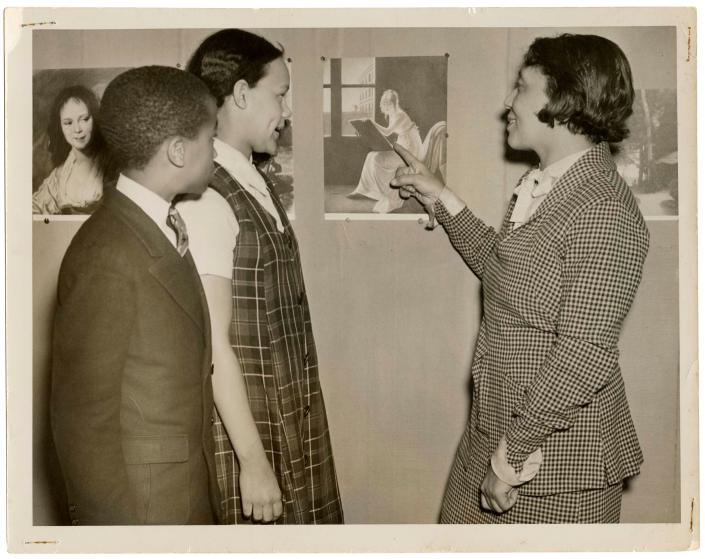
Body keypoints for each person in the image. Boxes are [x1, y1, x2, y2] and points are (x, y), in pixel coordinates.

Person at [391, 34, 649, 523]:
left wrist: (510, 461)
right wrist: (440, 197)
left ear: (565, 101)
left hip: (551, 467)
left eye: (521, 87)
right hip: (495, 433)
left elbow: (583, 354)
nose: (507, 102)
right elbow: (508, 273)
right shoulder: (549, 185)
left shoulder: (604, 210)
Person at [178, 29, 343, 524]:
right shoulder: (207, 196)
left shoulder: (252, 179)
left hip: (290, 415)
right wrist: (253, 463)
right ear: (242, 93)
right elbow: (215, 347)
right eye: (281, 93)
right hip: (252, 435)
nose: (288, 111)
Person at [50, 66, 221, 525]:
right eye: (212, 138)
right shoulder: (106, 252)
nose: (216, 153)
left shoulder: (153, 224)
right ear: (179, 151)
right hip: (144, 514)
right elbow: (84, 425)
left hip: (180, 495)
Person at [33, 85, 105, 215]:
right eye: (68, 123)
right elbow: (33, 209)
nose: (77, 129)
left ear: (95, 119)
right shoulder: (59, 177)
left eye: (84, 119)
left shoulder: (113, 165)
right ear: (60, 126)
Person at [348, 89, 423, 213]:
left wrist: (371, 122)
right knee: (370, 156)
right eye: (385, 104)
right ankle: (364, 190)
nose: (387, 107)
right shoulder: (393, 115)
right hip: (403, 145)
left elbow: (387, 132)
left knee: (377, 159)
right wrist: (368, 126)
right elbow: (387, 131)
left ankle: (390, 197)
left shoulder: (400, 114)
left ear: (394, 103)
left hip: (411, 150)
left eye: (389, 104)